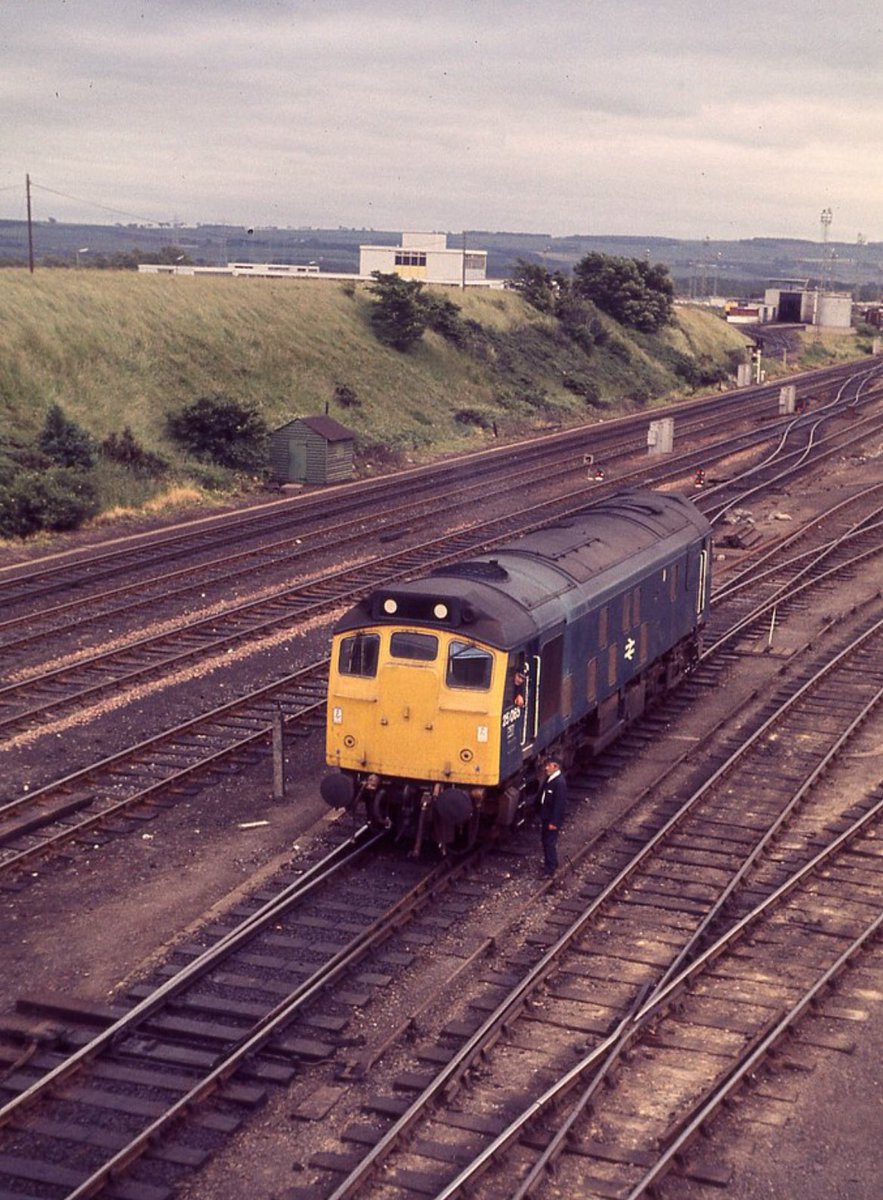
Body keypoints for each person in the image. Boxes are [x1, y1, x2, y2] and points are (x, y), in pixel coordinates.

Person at [537, 756, 567, 877]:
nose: (546, 768)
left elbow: (559, 805)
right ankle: (552, 863)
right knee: (546, 841)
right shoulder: (550, 779)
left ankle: (550, 870)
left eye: (548, 766)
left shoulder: (559, 783)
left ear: (556, 767)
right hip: (546, 817)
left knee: (549, 842)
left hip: (551, 820)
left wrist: (554, 822)